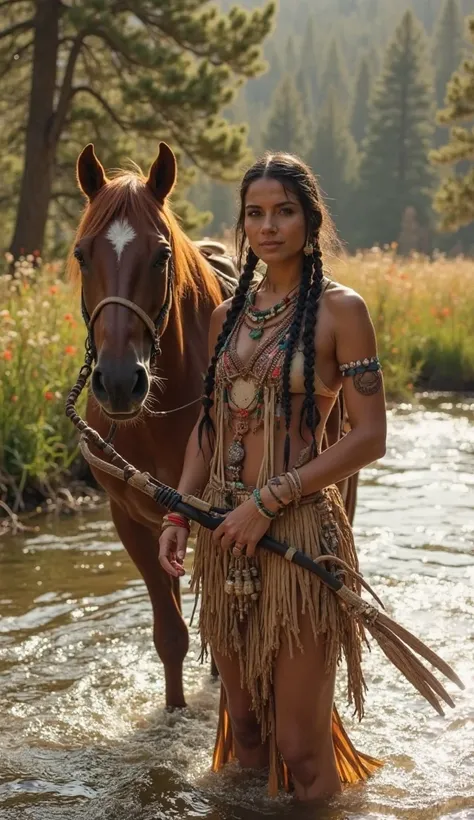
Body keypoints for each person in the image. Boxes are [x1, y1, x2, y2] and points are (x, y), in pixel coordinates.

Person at [158, 152, 387, 802]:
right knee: (248, 734)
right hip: (222, 535)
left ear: (310, 220)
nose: (268, 226)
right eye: (255, 213)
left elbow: (370, 436)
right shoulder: (226, 315)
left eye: (284, 211)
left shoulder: (343, 311)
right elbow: (209, 427)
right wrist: (179, 511)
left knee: (301, 751)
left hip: (297, 539)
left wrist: (271, 498)